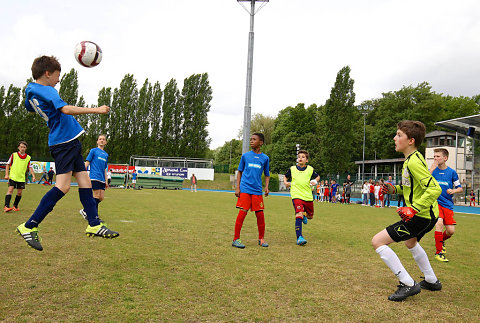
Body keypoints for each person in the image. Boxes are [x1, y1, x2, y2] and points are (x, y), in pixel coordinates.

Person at [16, 55, 119, 251]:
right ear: (47, 73)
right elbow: (65, 109)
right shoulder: (47, 90)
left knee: (85, 182)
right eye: (57, 75)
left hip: (69, 142)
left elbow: (28, 106)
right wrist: (96, 110)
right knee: (62, 187)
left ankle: (94, 224)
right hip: (63, 142)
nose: (58, 80)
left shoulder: (32, 90)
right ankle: (29, 226)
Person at [373, 120, 442, 302]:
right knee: (411, 243)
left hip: (420, 216)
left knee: (378, 241)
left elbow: (435, 189)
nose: (395, 138)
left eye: (399, 135)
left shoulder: (413, 163)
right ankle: (431, 280)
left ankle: (408, 284)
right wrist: (394, 189)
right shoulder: (412, 159)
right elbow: (412, 188)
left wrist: (413, 209)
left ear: (410, 140)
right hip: (429, 216)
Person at [232, 133, 270, 249]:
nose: (251, 141)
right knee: (243, 212)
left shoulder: (265, 158)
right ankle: (236, 239)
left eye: (254, 139)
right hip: (245, 189)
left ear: (261, 142)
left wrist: (266, 187)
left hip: (257, 190)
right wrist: (237, 187)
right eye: (251, 139)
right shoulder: (245, 156)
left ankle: (261, 239)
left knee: (260, 214)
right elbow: (240, 172)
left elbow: (267, 174)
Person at [429, 148, 463, 263]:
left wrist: (453, 191)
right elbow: (424, 183)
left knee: (450, 231)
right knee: (439, 224)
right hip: (436, 202)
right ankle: (439, 253)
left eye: (438, 156)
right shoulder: (432, 170)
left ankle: (441, 241)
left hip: (447, 205)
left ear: (445, 158)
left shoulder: (452, 172)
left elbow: (460, 188)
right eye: (434, 156)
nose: (435, 158)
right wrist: (431, 170)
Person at [283, 150, 320, 246]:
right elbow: (285, 177)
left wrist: (315, 181)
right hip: (296, 195)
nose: (300, 158)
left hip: (308, 196)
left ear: (307, 160)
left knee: (310, 216)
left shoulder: (310, 169)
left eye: (303, 157)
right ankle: (299, 237)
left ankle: (304, 215)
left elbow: (318, 177)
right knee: (298, 214)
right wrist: (286, 182)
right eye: (299, 156)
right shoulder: (292, 169)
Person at [80, 135, 110, 222]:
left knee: (101, 197)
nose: (102, 140)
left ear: (106, 142)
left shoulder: (106, 155)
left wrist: (106, 180)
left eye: (103, 139)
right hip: (94, 176)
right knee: (96, 195)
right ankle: (94, 216)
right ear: (97, 141)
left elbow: (105, 168)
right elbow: (87, 162)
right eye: (100, 139)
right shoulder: (93, 151)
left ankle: (86, 210)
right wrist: (82, 172)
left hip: (102, 178)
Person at [4, 141, 36, 212]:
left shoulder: (28, 157)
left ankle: (15, 206)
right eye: (21, 147)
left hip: (21, 178)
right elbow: (8, 164)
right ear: (18, 147)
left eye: (24, 147)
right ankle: (6, 206)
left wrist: (33, 176)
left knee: (19, 193)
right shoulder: (14, 155)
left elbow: (30, 167)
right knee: (10, 190)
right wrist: (6, 174)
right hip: (13, 176)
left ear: (26, 148)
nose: (22, 148)